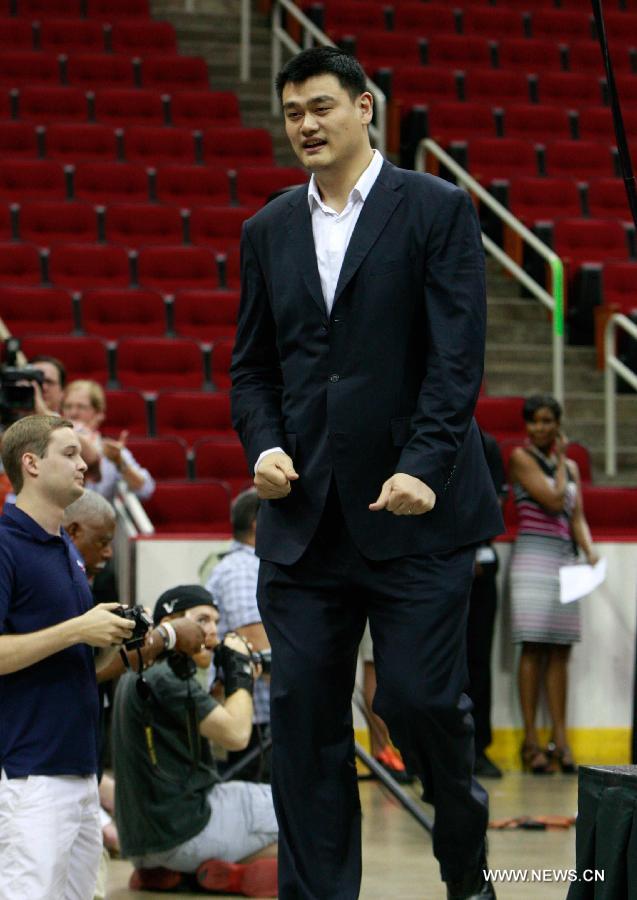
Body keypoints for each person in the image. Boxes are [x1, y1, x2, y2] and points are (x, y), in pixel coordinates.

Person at [231, 45, 503, 900]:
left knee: (419, 704)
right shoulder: (266, 228)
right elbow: (253, 371)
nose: (304, 125)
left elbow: (455, 361)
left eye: (320, 107)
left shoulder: (436, 209)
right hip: (305, 525)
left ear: (365, 107)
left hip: (416, 516)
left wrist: (425, 463)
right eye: (291, 114)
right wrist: (265, 447)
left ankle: (464, 848)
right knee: (305, 726)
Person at [0, 414, 135, 900]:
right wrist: (80, 627)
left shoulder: (66, 549)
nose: (84, 464)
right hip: (30, 771)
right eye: (70, 453)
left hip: (80, 769)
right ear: (31, 463)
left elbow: (64, 656)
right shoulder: (5, 545)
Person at [112, 584, 278, 897]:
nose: (212, 633)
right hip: (183, 831)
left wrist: (223, 686)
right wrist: (240, 672)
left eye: (216, 621)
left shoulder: (145, 669)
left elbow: (195, 722)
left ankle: (170, 873)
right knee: (307, 816)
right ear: (172, 621)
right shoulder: (167, 679)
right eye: (202, 620)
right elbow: (236, 736)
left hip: (143, 842)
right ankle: (233, 873)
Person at [509, 395, 598, 775]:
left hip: (564, 560)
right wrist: (562, 460)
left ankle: (560, 739)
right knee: (532, 648)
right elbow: (553, 498)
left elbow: (575, 515)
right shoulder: (521, 458)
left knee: (560, 651)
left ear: (558, 423)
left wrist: (589, 551)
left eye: (547, 421)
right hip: (532, 560)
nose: (540, 428)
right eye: (534, 421)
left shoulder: (574, 467)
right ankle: (531, 743)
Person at [206, 488, 272, 782]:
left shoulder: (246, 565)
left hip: (261, 719)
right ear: (258, 523)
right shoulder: (243, 570)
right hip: (259, 722)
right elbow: (259, 647)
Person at [466, 431, 508, 780]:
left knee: (478, 659)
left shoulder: (486, 444)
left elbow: (494, 502)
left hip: (479, 569)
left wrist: (475, 543)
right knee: (442, 662)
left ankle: (478, 747)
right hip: (437, 564)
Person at [61, 379, 155, 503]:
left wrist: (119, 462)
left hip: (96, 517)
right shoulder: (51, 446)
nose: (73, 413)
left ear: (99, 414)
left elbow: (145, 489)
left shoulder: (110, 450)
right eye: (68, 406)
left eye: (81, 407)